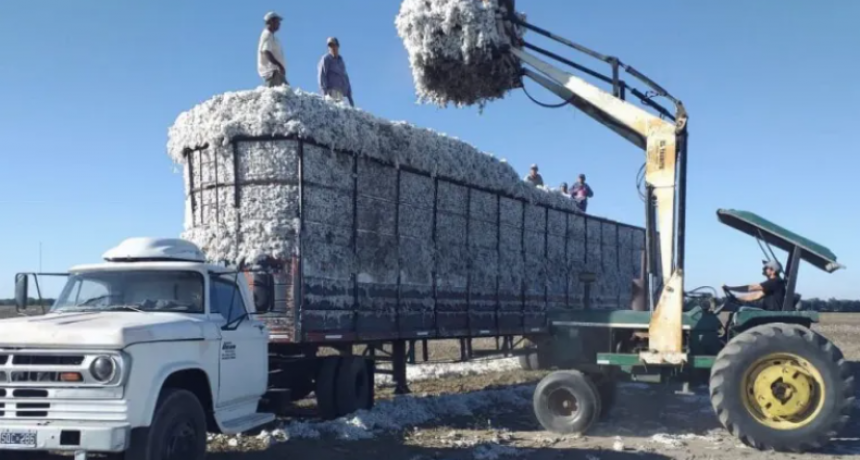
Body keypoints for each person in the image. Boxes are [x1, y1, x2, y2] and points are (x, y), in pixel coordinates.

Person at [318, 37, 354, 106]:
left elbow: (345, 79)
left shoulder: (341, 61)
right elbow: (322, 76)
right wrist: (324, 95)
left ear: (338, 46)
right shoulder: (326, 59)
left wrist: (350, 99)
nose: (332, 48)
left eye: (334, 45)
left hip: (343, 96)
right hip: (332, 94)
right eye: (330, 46)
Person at [258, 12, 288, 87]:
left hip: (275, 72)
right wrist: (279, 65)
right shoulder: (267, 35)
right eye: (277, 21)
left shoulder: (271, 36)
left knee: (286, 93)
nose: (279, 24)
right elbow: (266, 51)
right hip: (272, 72)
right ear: (271, 22)